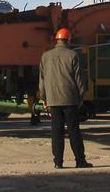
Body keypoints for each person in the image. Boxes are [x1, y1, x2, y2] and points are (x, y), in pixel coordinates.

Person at [38, 28, 91, 169]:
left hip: (53, 100)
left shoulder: (45, 56)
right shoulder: (72, 55)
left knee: (56, 131)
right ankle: (80, 161)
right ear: (68, 40)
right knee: (74, 131)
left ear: (57, 39)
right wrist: (81, 98)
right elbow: (79, 80)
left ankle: (58, 162)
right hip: (70, 99)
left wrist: (44, 98)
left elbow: (42, 81)